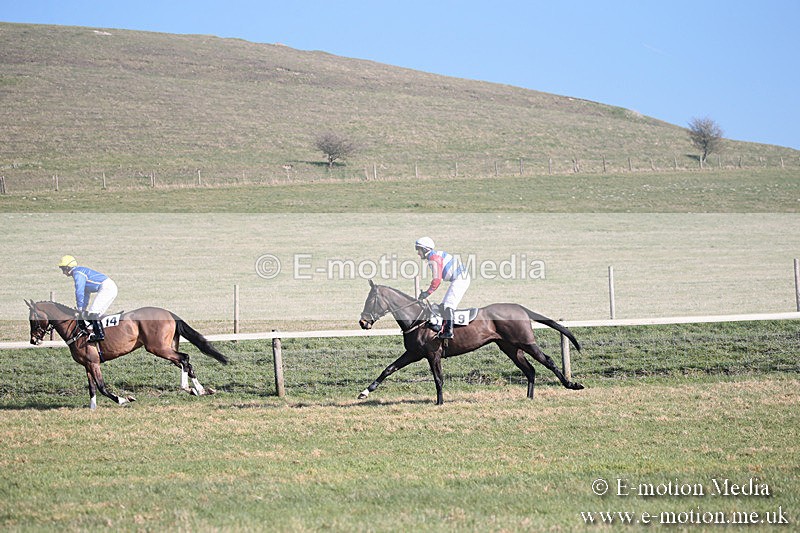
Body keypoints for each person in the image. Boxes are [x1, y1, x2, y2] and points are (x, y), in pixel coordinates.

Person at [415, 237, 470, 339]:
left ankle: (449, 332)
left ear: (425, 249)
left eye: (419, 249)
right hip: (459, 278)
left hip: (460, 278)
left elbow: (437, 280)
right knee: (444, 305)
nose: (418, 253)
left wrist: (427, 293)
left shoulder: (434, 258)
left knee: (449, 305)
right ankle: (443, 327)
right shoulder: (433, 256)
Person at [57, 255, 118, 342]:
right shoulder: (79, 272)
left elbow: (79, 291)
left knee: (93, 313)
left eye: (63, 269)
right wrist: (83, 309)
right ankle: (99, 334)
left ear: (68, 267)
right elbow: (86, 293)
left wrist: (80, 308)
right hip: (110, 287)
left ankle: (99, 335)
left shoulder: (77, 273)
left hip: (107, 288)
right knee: (96, 315)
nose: (63, 272)